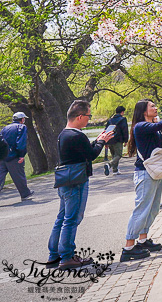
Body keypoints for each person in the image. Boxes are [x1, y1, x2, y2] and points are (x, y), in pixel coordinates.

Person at [48, 100, 111, 270]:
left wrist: (97, 140)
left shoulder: (64, 134)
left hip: (64, 181)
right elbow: (91, 155)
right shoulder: (78, 135)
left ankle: (54, 255)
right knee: (72, 219)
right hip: (76, 181)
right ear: (80, 116)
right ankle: (67, 257)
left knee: (61, 219)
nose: (89, 120)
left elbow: (81, 153)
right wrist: (102, 142)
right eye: (89, 116)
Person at [121, 96, 162, 262]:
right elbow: (161, 124)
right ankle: (128, 247)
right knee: (142, 209)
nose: (155, 108)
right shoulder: (141, 126)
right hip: (144, 173)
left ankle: (143, 240)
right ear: (143, 111)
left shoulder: (151, 126)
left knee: (152, 208)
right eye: (152, 106)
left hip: (154, 172)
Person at [0, 112, 32, 201]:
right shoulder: (21, 127)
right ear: (22, 119)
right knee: (19, 176)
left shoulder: (5, 128)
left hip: (2, 156)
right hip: (13, 156)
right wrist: (21, 155)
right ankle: (25, 194)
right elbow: (20, 142)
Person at [103, 106, 128, 176]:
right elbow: (125, 130)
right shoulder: (123, 119)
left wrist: (105, 141)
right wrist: (126, 140)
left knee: (113, 155)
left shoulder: (110, 120)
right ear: (122, 112)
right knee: (118, 155)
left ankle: (115, 170)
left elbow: (106, 130)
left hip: (110, 139)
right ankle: (109, 164)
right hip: (118, 139)